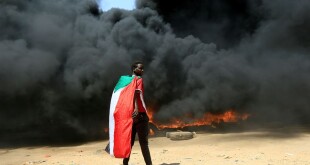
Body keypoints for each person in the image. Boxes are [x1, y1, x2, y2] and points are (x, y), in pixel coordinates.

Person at [106, 61, 152, 165]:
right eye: (140, 68)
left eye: (143, 68)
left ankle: (125, 164)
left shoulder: (125, 81)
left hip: (130, 116)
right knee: (144, 144)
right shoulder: (138, 80)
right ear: (134, 69)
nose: (142, 70)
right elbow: (136, 92)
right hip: (140, 115)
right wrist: (137, 107)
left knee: (129, 143)